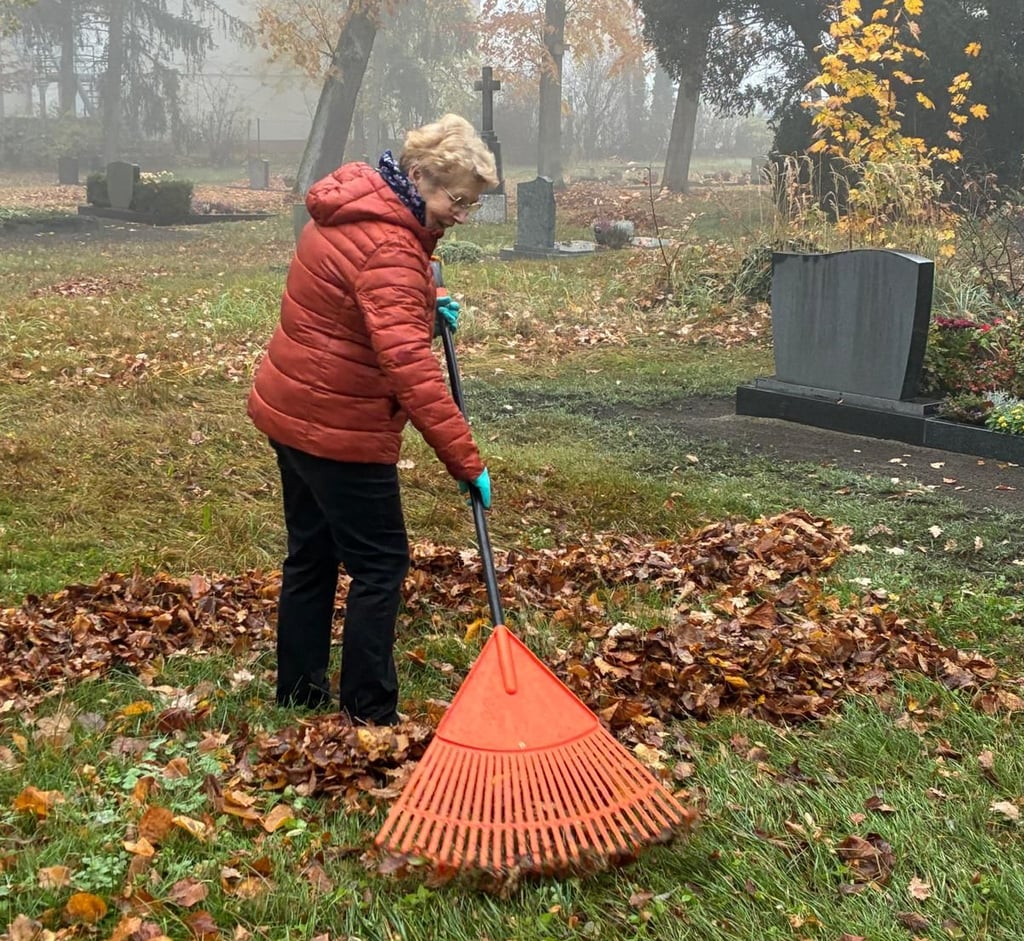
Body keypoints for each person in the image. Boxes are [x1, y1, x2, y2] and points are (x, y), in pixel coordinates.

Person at [248, 113, 498, 724]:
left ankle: (300, 693)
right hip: (340, 426)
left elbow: (361, 294)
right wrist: (466, 461)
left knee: (310, 555)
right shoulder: (390, 243)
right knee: (380, 564)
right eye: (455, 199)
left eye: (471, 205)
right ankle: (369, 712)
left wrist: (426, 301)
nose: (461, 215)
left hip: (295, 410)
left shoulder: (358, 206)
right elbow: (410, 367)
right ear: (418, 177)